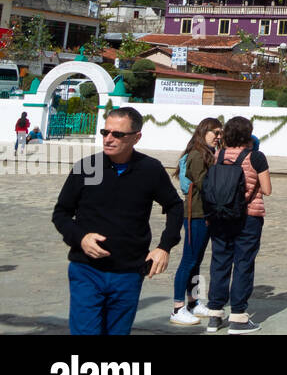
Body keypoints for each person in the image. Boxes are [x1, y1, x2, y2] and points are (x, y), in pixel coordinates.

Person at [52, 106, 182, 335]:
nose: (109, 139)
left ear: (136, 137)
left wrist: (164, 247)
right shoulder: (86, 167)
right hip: (86, 270)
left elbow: (175, 205)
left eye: (118, 134)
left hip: (129, 273)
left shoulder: (150, 169)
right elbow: (61, 213)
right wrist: (80, 238)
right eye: (105, 132)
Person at [203, 116, 271, 333]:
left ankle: (214, 313)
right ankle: (238, 316)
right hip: (248, 216)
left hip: (219, 215)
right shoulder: (256, 157)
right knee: (243, 263)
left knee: (219, 262)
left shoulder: (217, 155)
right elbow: (267, 189)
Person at [170, 117, 221, 325]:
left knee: (196, 261)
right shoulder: (198, 155)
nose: (218, 137)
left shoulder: (206, 153)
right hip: (196, 214)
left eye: (220, 133)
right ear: (203, 132)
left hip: (203, 214)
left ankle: (193, 302)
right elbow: (205, 185)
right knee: (188, 260)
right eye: (215, 133)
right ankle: (177, 307)